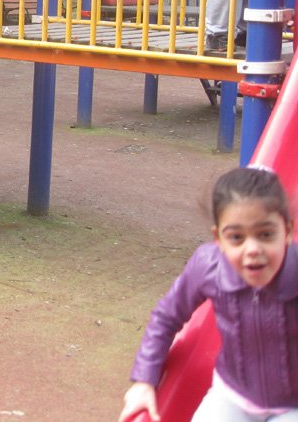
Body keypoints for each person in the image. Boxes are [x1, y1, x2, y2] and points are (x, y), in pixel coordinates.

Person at [118, 166, 298, 422]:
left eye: (266, 235)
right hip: (233, 394)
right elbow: (166, 317)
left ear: (287, 232)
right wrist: (144, 380)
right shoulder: (208, 266)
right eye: (236, 237)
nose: (252, 249)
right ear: (219, 239)